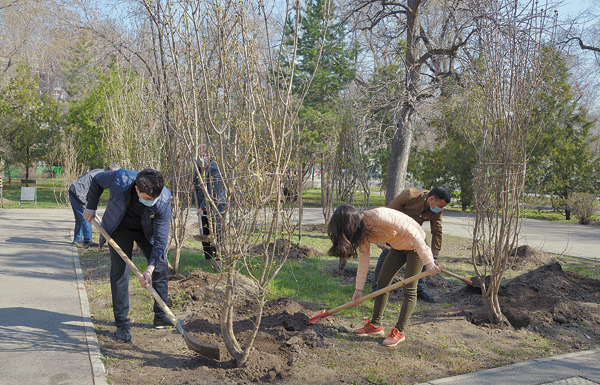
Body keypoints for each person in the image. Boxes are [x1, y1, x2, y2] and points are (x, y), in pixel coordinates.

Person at [328, 204, 441, 347]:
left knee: (409, 289)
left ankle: (399, 331)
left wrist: (429, 261)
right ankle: (375, 325)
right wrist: (359, 289)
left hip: (415, 246)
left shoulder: (378, 216)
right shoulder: (360, 230)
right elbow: (364, 259)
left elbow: (413, 233)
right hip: (398, 247)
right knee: (382, 283)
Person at [82, 168, 172, 342]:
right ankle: (122, 324)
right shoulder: (120, 178)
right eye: (147, 199)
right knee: (120, 271)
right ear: (137, 190)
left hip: (147, 229)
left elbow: (160, 240)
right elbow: (96, 180)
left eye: (155, 199)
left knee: (160, 264)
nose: (152, 202)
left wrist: (150, 269)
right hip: (120, 226)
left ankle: (161, 316)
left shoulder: (163, 200)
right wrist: (91, 206)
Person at [371, 187, 451, 303]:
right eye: (441, 206)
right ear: (432, 198)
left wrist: (434, 256)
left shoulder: (437, 208)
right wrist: (381, 235)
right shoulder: (409, 195)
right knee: (387, 253)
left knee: (425, 254)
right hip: (395, 230)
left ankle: (419, 290)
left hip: (415, 234)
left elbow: (437, 231)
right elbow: (387, 213)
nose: (441, 209)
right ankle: (377, 290)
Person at [69, 164, 120, 247]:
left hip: (73, 190)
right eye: (115, 173)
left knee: (79, 218)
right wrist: (90, 207)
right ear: (111, 171)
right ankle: (88, 241)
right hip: (79, 193)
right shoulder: (103, 176)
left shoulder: (100, 171)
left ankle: (77, 239)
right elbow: (94, 192)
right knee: (87, 217)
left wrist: (92, 206)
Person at [192, 145, 226, 270]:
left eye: (204, 155)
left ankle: (218, 260)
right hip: (204, 205)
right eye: (200, 155)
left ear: (209, 155)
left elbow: (212, 193)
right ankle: (207, 258)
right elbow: (196, 178)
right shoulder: (200, 169)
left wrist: (201, 207)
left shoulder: (214, 171)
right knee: (205, 232)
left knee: (217, 233)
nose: (202, 157)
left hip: (217, 206)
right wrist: (194, 184)